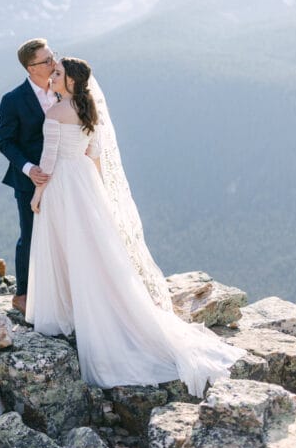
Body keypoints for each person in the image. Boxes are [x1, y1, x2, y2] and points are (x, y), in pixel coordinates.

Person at [26, 57, 245, 396]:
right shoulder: (89, 113)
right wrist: (98, 194)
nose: (52, 77)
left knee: (64, 247)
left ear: (70, 82)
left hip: (64, 186)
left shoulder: (54, 115)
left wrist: (38, 194)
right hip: (86, 184)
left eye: (57, 74)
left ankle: (66, 315)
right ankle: (98, 309)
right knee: (94, 253)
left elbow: (49, 161)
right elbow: (95, 155)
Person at [0, 38, 58, 315]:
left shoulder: (63, 89)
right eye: (46, 60)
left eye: (52, 56)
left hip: (64, 175)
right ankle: (23, 294)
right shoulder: (12, 100)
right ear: (31, 68)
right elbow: (6, 142)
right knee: (30, 235)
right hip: (29, 180)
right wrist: (28, 169)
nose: (52, 63)